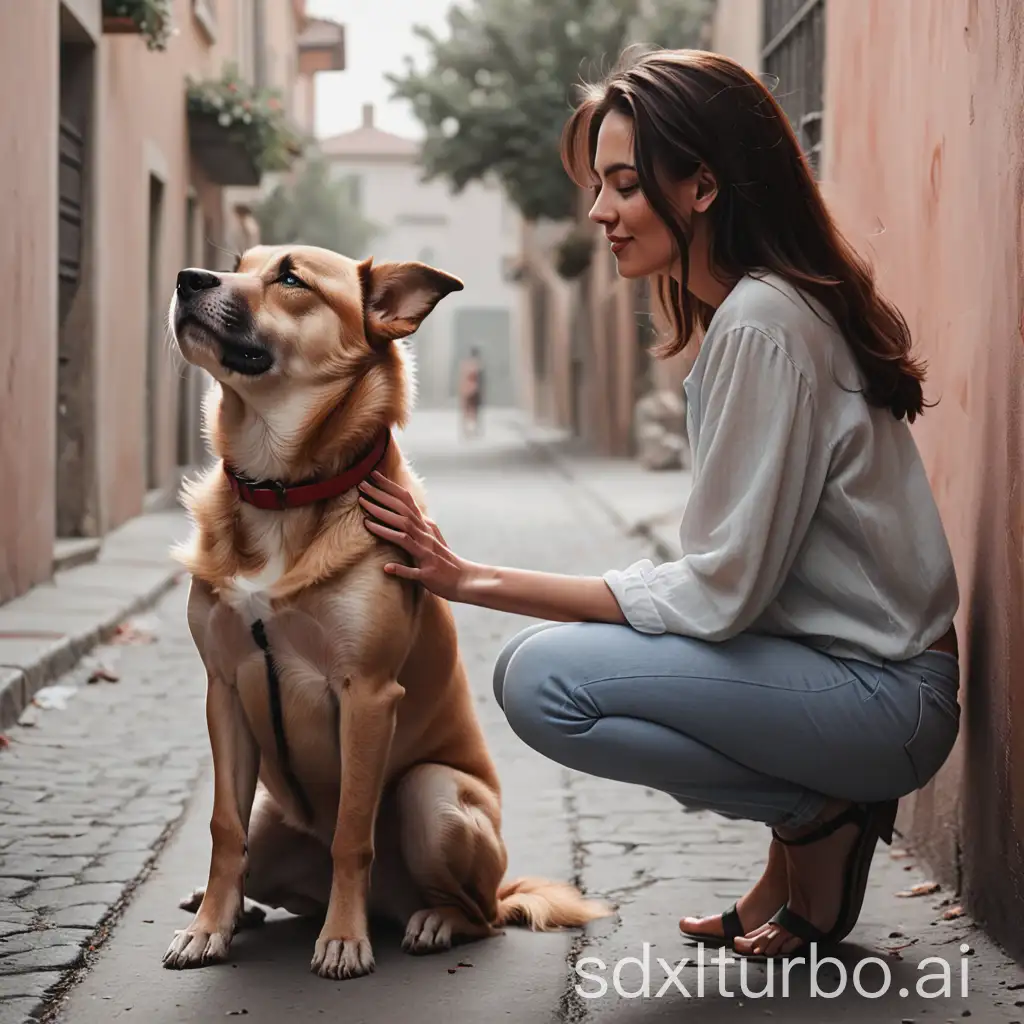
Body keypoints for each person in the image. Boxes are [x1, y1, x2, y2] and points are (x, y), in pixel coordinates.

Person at [357, 48, 960, 960]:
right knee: (537, 661)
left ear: (704, 187)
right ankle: (806, 833)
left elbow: (719, 593)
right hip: (860, 681)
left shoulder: (764, 323)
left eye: (625, 185)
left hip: (886, 699)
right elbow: (762, 592)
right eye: (599, 185)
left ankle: (816, 817)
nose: (599, 212)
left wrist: (470, 577)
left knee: (543, 681)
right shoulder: (754, 316)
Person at [457, 347, 484, 437]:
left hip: (465, 390)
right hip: (474, 390)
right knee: (473, 411)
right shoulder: (477, 365)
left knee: (466, 411)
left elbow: (462, 377)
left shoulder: (465, 364)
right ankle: (472, 429)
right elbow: (479, 379)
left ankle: (466, 430)